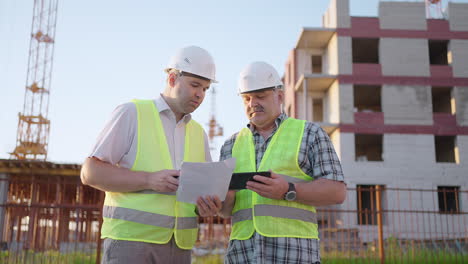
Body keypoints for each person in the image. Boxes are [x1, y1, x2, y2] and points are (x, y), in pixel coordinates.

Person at [80, 45, 223, 264]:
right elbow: (90, 172)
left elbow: (199, 192)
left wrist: (207, 205)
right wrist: (149, 179)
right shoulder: (132, 113)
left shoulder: (198, 134)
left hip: (180, 247)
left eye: (205, 88)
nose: (200, 94)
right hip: (130, 243)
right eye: (195, 85)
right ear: (173, 78)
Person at [218, 61, 346, 264]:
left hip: (295, 254)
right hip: (242, 254)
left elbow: (337, 192)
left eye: (260, 96)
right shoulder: (230, 145)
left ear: (279, 96)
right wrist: (221, 199)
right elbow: (226, 211)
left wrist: (288, 190)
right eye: (247, 98)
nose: (253, 103)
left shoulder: (310, 133)